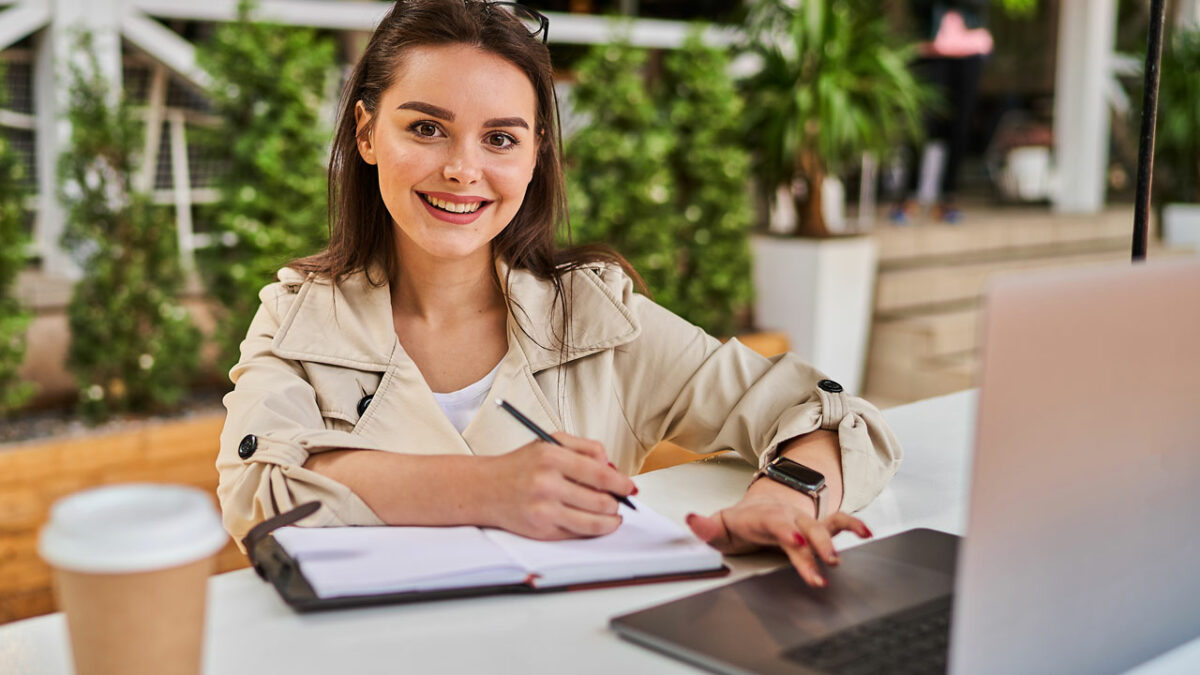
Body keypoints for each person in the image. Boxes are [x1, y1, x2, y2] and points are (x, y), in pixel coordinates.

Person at [216, 0, 902, 589]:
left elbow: (829, 414)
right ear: (367, 133)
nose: (462, 169)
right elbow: (257, 495)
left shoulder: (594, 320)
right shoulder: (300, 314)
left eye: (500, 138)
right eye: (425, 127)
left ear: (537, 151)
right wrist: (491, 488)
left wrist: (788, 498)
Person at [889, 0, 993, 224]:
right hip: (931, 50)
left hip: (970, 50)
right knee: (922, 126)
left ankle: (947, 199)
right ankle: (909, 197)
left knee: (959, 128)